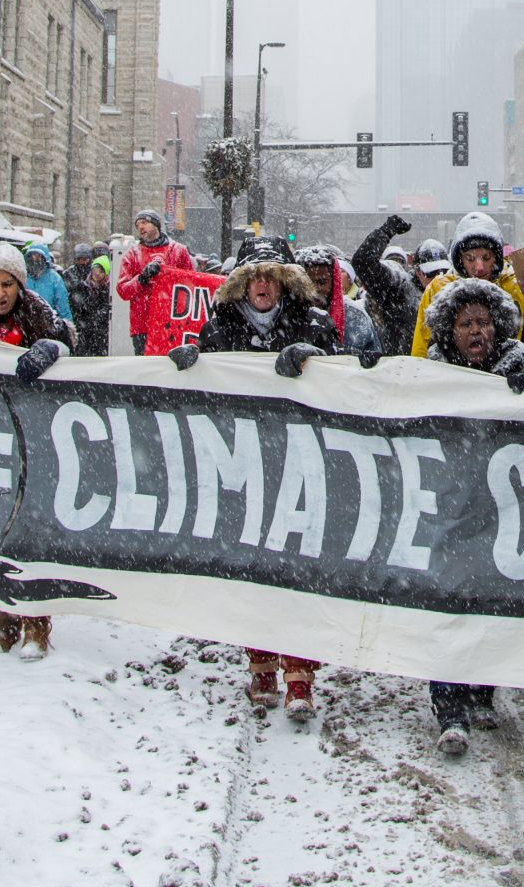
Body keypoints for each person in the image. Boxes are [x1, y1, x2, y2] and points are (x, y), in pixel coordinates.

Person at [174, 235, 339, 719]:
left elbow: (346, 383)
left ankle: (301, 675)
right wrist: (190, 366)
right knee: (254, 570)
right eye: (253, 276)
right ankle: (261, 664)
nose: (262, 284)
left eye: (271, 275)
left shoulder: (314, 323)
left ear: (285, 281)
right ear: (241, 283)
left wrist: (315, 360)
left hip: (300, 466)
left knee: (299, 570)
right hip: (243, 467)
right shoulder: (219, 325)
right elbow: (203, 387)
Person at [415, 276, 524, 753]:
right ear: (449, 331)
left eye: (484, 322)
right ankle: (450, 707)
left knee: (492, 604)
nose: (476, 331)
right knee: (448, 605)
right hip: (447, 511)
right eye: (466, 323)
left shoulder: (521, 375)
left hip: (499, 515)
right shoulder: (428, 377)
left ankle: (483, 691)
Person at [0, 242, 78, 659]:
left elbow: (69, 343)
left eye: (7, 284)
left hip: (36, 439)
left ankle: (36, 621)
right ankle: (1, 615)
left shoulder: (39, 312)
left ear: (19, 285)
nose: (0, 293)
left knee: (31, 530)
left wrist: (51, 349)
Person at [408, 211, 524, 359]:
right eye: (470, 259)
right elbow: (421, 349)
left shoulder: (517, 285)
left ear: (496, 258)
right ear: (460, 260)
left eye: (486, 257)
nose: (479, 267)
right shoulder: (438, 288)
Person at [115, 208, 198, 355]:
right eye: (138, 225)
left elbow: (191, 285)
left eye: (144, 222)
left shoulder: (178, 251)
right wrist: (142, 278)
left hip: (172, 324)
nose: (140, 227)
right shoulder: (132, 254)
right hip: (142, 327)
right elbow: (123, 290)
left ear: (156, 225)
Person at [351, 213, 424, 350]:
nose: (435, 277)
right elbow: (363, 261)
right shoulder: (399, 289)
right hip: (398, 365)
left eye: (440, 271)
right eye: (428, 271)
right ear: (417, 270)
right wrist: (385, 232)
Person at [65, 247, 114, 356]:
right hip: (84, 331)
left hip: (100, 334)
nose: (97, 273)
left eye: (101, 271)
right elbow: (75, 306)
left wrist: (97, 317)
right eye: (95, 269)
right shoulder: (82, 287)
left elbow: (107, 308)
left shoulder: (108, 290)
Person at [21, 240, 74, 318]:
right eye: (32, 256)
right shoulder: (23, 277)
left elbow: (63, 307)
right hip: (25, 323)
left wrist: (68, 326)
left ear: (44, 258)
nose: (35, 259)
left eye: (38, 256)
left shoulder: (54, 278)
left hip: (48, 324)